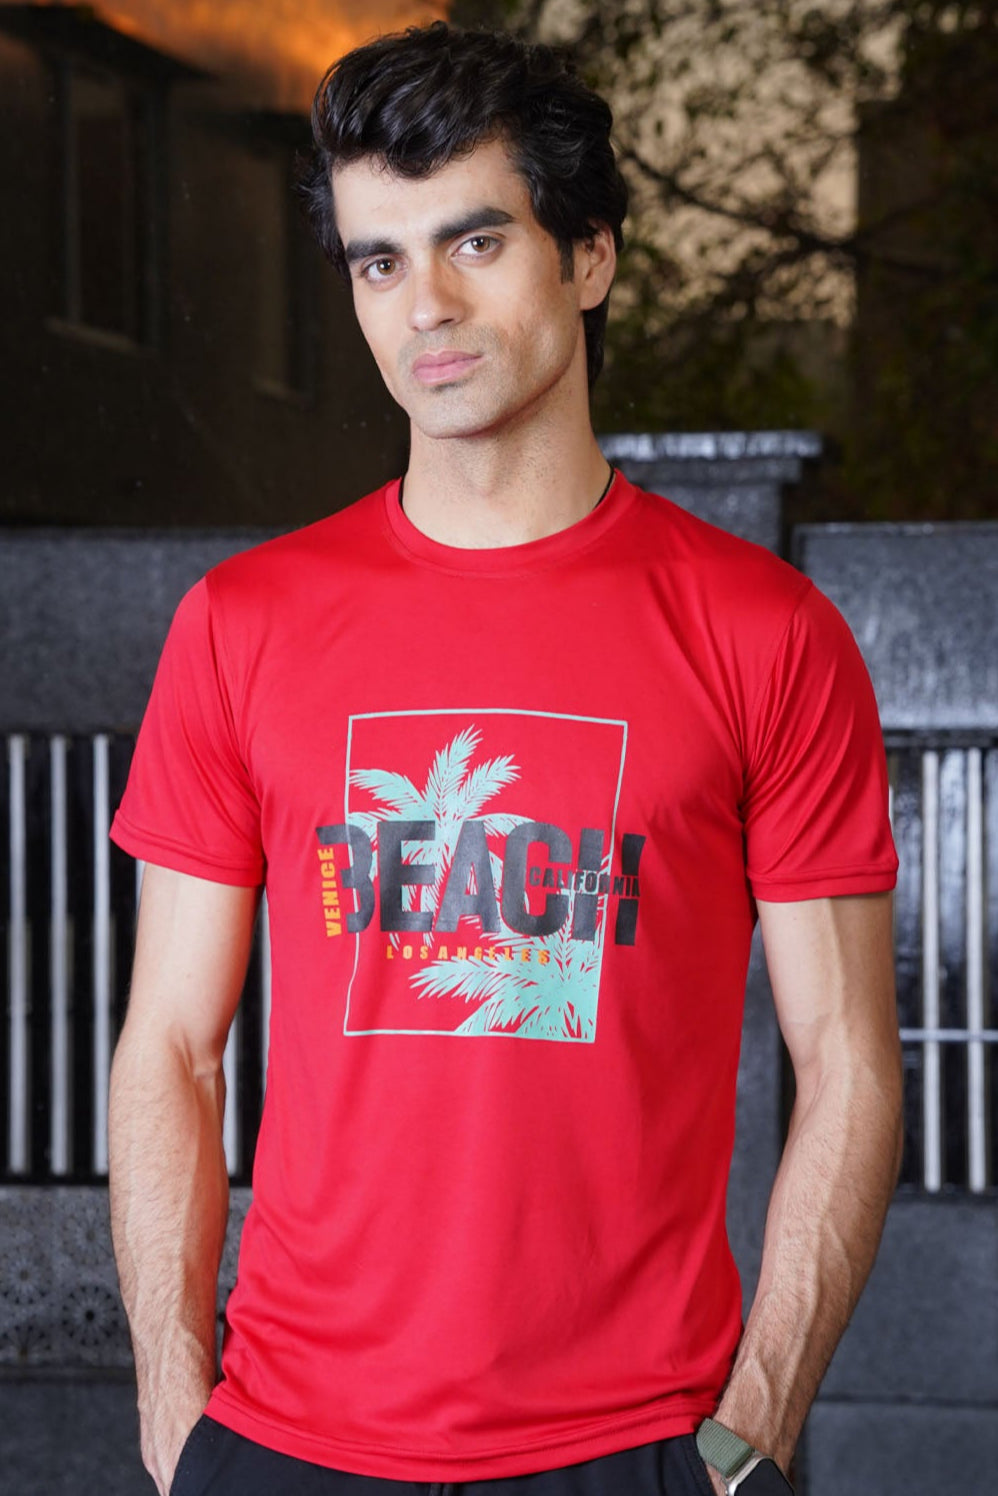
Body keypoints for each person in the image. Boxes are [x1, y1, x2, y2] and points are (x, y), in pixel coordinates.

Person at [108, 21, 902, 1496]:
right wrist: (175, 1408)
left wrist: (756, 1422)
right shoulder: (242, 625)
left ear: (587, 257)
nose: (428, 305)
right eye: (379, 260)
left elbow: (846, 1062)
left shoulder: (761, 633)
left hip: (640, 1449)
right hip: (285, 1441)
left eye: (476, 239)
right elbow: (171, 1046)